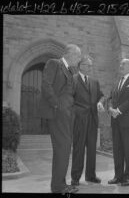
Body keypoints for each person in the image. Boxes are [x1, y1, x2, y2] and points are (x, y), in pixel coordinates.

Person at [38, 44, 81, 193]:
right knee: (63, 148)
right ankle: (58, 187)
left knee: (64, 149)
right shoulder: (54, 63)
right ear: (70, 54)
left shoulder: (71, 71)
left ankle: (60, 184)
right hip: (58, 113)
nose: (79, 59)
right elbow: (46, 84)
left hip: (68, 115)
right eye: (78, 55)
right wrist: (56, 105)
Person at [107, 58, 129, 186]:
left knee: (128, 151)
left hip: (128, 123)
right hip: (115, 121)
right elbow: (111, 97)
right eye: (120, 63)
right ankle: (118, 176)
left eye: (124, 63)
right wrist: (110, 108)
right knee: (117, 150)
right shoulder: (117, 81)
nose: (120, 65)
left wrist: (118, 110)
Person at [71, 56, 105, 186]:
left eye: (91, 65)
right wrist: (77, 112)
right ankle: (75, 178)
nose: (90, 67)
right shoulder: (73, 79)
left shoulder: (94, 81)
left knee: (92, 149)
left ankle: (90, 176)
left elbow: (101, 95)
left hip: (93, 119)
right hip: (79, 120)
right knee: (78, 149)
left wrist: (100, 103)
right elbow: (69, 99)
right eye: (88, 65)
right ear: (81, 66)